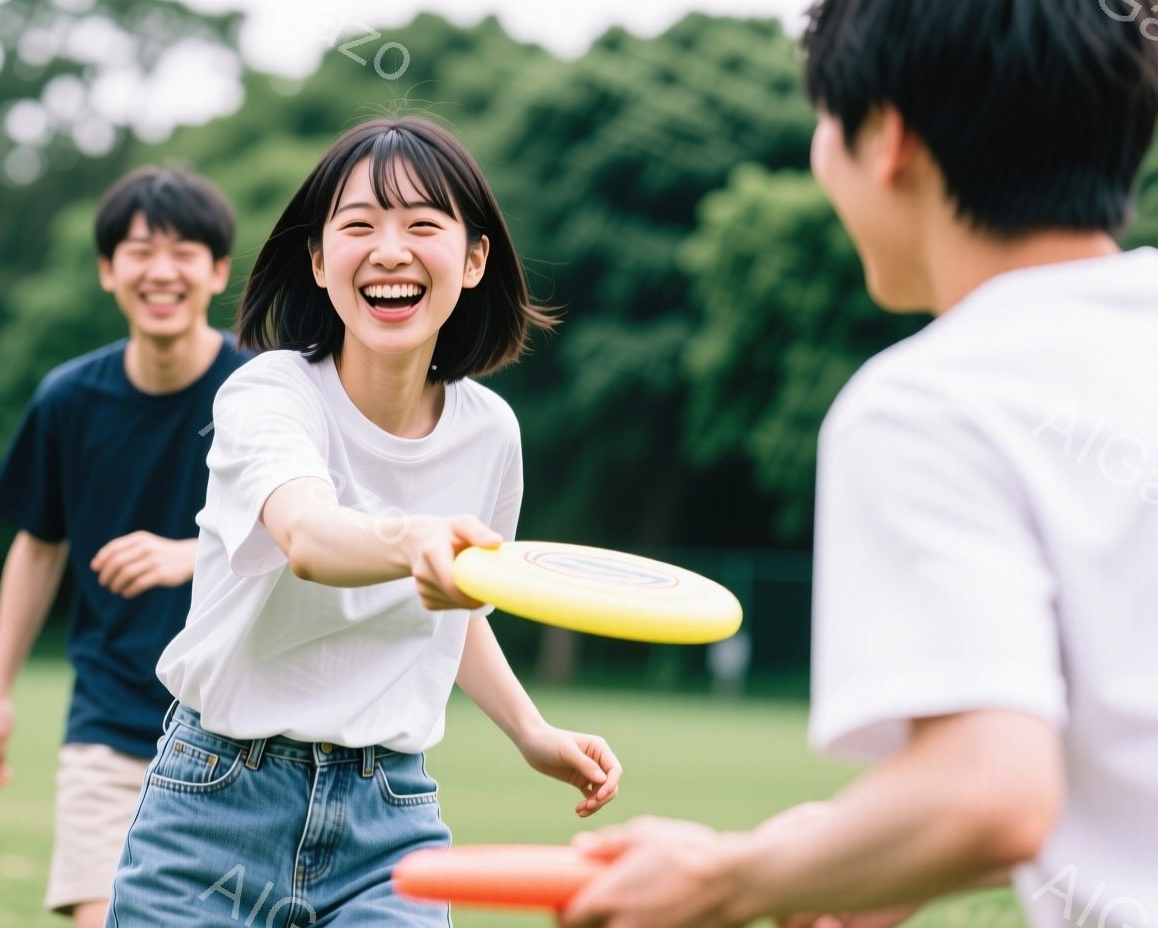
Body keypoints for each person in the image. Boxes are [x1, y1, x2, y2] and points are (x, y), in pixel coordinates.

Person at [559, 1, 1158, 926]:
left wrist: (728, 879)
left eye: (823, 119)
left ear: (889, 139)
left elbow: (990, 794)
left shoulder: (926, 404)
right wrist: (860, 855)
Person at [106, 116, 623, 927]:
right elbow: (309, 538)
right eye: (358, 226)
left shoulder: (490, 432)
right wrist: (413, 537)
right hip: (215, 803)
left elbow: (453, 606)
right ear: (318, 260)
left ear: (476, 258)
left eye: (423, 225)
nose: (390, 251)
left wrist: (530, 729)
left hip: (391, 815)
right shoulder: (270, 393)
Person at [0, 166, 247, 927]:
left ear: (218, 271)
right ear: (106, 270)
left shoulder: (264, 394)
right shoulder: (67, 399)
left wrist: (194, 553)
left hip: (245, 734)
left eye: (185, 252)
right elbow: (37, 547)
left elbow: (315, 537)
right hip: (111, 724)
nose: (161, 271)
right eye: (139, 251)